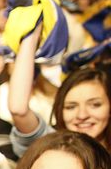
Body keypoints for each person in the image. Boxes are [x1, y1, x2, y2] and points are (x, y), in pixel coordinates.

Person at [9, 25, 111, 156]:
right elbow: (19, 110)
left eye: (95, 105)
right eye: (70, 107)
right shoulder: (49, 146)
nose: (82, 115)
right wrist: (32, 33)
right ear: (59, 109)